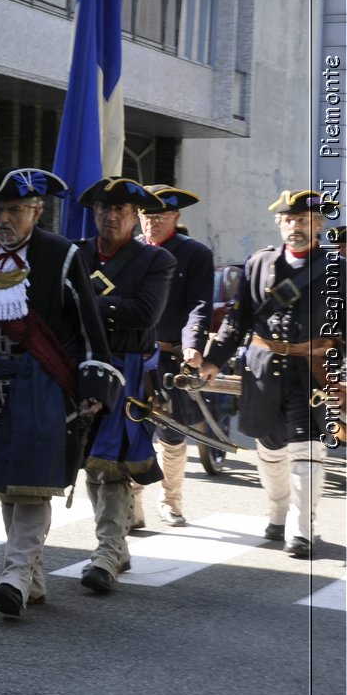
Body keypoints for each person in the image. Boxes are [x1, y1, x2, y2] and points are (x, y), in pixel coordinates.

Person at [0, 168, 119, 619]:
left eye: (14, 210)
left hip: (43, 383)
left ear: (36, 210)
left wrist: (93, 384)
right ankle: (31, 575)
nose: (4, 219)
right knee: (8, 485)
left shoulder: (61, 254)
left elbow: (89, 326)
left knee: (31, 483)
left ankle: (11, 575)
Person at [201, 190, 344, 558]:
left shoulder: (339, 270)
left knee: (307, 447)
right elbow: (238, 319)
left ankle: (302, 527)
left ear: (319, 225)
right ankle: (278, 511)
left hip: (312, 370)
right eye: (290, 220)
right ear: (279, 223)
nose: (297, 227)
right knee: (270, 449)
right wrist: (213, 359)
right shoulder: (259, 263)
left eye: (305, 221)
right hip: (264, 369)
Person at [72, 178, 174, 593]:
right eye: (102, 209)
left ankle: (107, 552)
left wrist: (83, 305)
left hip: (127, 369)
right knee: (87, 459)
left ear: (134, 217)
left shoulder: (156, 261)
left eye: (120, 210)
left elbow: (144, 313)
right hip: (79, 365)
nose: (110, 216)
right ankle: (115, 545)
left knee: (110, 463)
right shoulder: (73, 254)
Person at [138, 185, 215, 526]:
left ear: (176, 217)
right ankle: (130, 504)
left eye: (160, 217)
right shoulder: (130, 251)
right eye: (146, 216)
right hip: (132, 356)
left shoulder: (194, 254)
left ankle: (171, 500)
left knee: (171, 434)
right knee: (131, 432)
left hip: (170, 357)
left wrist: (192, 345)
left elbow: (199, 306)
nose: (151, 224)